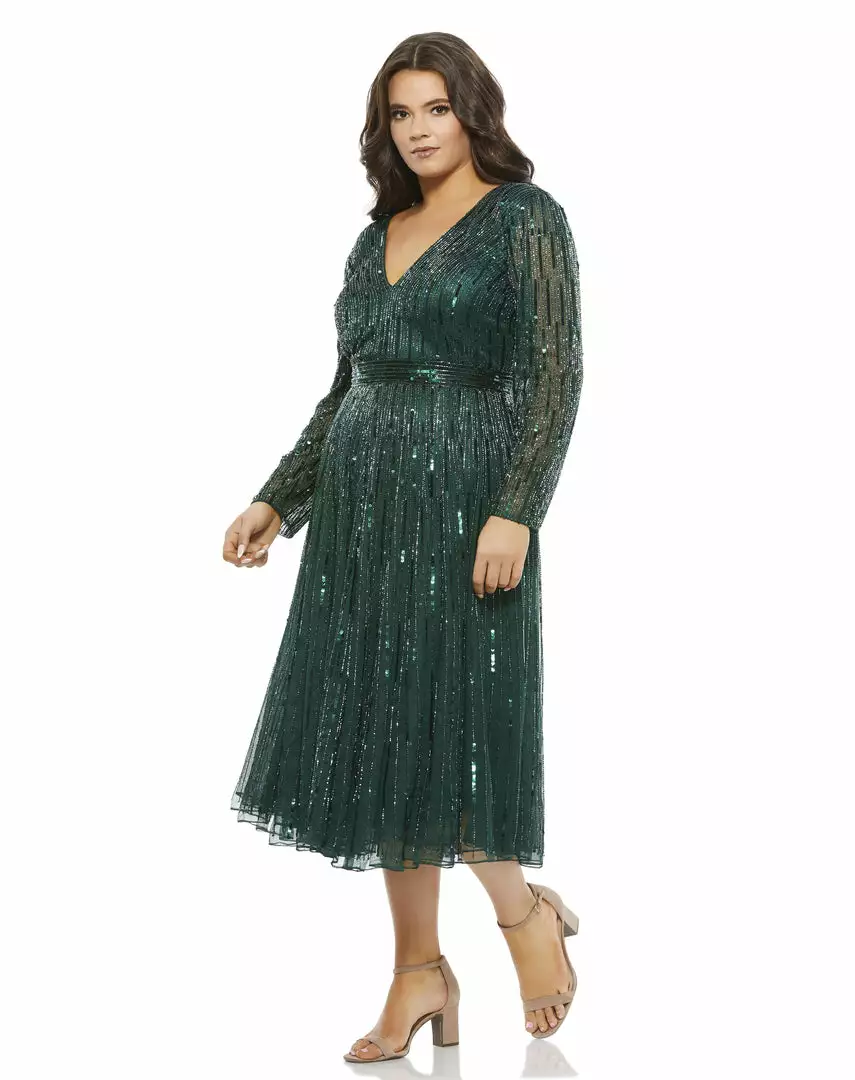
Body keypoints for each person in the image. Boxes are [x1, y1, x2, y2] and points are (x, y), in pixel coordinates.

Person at [222, 32, 584, 1063]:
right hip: (360, 516)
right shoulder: (374, 236)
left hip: (467, 507)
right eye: (400, 113)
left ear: (473, 111)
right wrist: (278, 497)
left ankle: (522, 915)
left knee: (457, 723)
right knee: (385, 731)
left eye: (436, 107)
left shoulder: (525, 218)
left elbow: (556, 373)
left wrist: (518, 508)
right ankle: (417, 968)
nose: (419, 129)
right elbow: (348, 386)